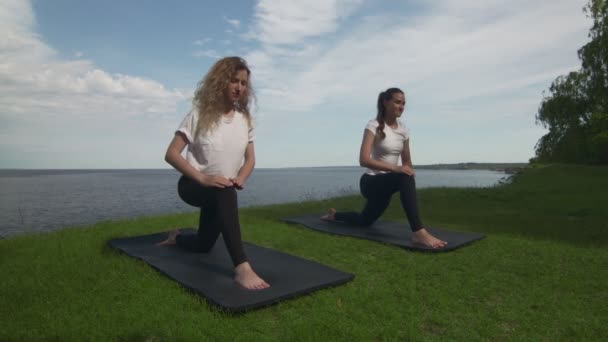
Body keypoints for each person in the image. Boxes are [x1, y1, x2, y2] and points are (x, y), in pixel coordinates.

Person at [157, 57, 269, 290]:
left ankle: (176, 237)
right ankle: (242, 267)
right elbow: (172, 153)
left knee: (203, 245)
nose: (239, 87)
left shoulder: (244, 119)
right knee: (225, 192)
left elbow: (250, 159)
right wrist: (203, 178)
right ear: (220, 82)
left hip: (221, 191)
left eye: (243, 83)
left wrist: (241, 177)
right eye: (233, 81)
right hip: (193, 184)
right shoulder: (198, 115)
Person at [321, 88, 448, 249]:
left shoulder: (403, 130)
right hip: (370, 183)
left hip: (386, 186)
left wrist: (407, 169)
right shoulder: (373, 125)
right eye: (397, 102)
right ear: (385, 102)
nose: (401, 106)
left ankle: (335, 215)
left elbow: (407, 162)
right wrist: (397, 169)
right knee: (404, 177)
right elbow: (364, 159)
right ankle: (418, 232)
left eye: (403, 103)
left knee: (364, 221)